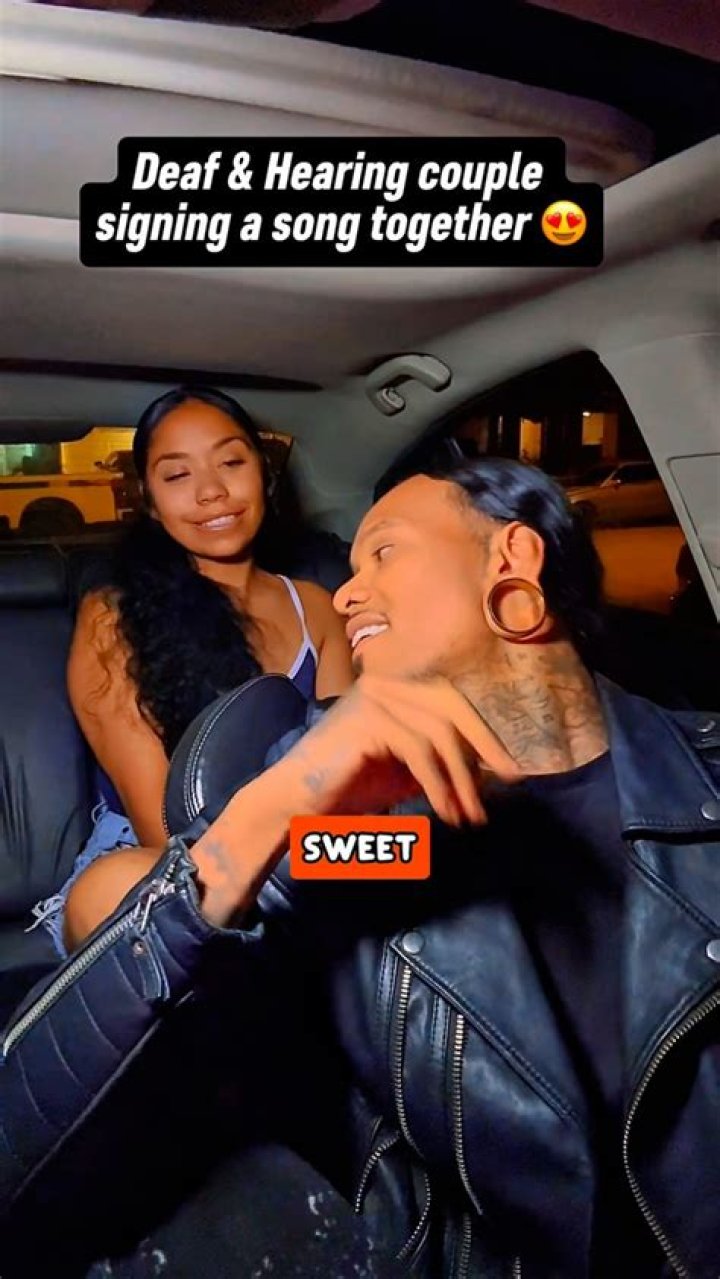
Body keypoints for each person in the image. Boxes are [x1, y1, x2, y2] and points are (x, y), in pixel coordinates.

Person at [3, 459, 718, 1278]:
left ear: (512, 558)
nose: (346, 594)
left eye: (383, 552)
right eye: (348, 568)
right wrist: (272, 808)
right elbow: (26, 1147)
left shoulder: (705, 778)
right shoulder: (374, 841)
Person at [27, 384, 353, 956]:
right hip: (162, 870)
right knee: (128, 886)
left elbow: (344, 782)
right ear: (149, 501)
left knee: (420, 853)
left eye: (231, 462)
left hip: (301, 851)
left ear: (264, 474)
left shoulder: (316, 608)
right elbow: (167, 832)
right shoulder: (116, 617)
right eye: (177, 475)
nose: (211, 491)